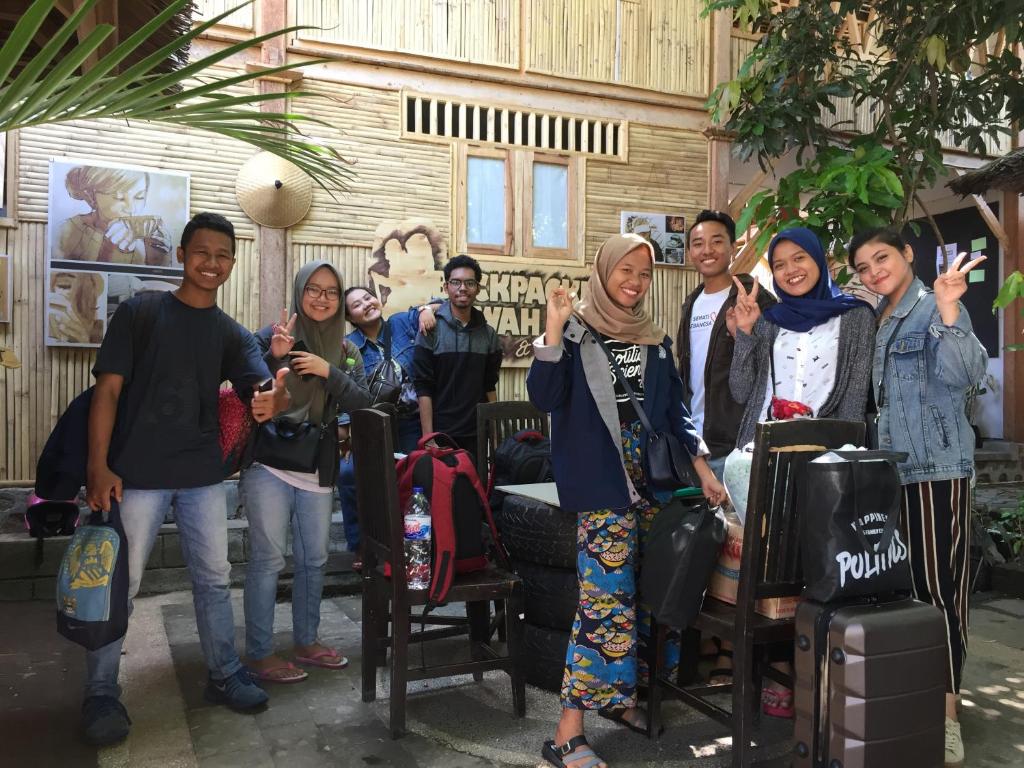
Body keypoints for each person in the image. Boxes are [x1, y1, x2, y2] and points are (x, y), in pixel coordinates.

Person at [82, 212, 290, 745]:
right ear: (181, 254)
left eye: (222, 255)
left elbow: (261, 388)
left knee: (215, 579)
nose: (211, 263)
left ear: (232, 263)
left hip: (201, 475)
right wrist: (98, 465)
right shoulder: (141, 312)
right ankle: (101, 693)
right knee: (119, 586)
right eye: (202, 252)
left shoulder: (229, 333)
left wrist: (275, 398)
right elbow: (107, 391)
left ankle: (223, 674)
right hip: (135, 474)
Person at [528, 233, 726, 768]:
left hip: (654, 480)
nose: (635, 282)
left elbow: (676, 413)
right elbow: (544, 397)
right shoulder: (575, 331)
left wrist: (703, 469)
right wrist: (553, 326)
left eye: (644, 273)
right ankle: (566, 734)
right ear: (604, 271)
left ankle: (622, 701)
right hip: (601, 482)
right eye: (626, 270)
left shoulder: (655, 339)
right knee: (605, 601)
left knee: (649, 594)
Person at [849, 227, 987, 768]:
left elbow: (966, 375)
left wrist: (950, 311)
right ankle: (917, 700)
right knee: (905, 593)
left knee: (940, 593)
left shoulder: (933, 307)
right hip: (892, 474)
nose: (873, 272)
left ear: (908, 254)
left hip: (936, 472)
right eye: (863, 267)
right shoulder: (880, 319)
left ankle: (947, 716)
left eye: (881, 258)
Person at [729, 226, 875, 718]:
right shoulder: (770, 320)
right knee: (776, 564)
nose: (790, 270)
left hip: (823, 460)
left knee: (817, 565)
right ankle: (781, 666)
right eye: (780, 263)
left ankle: (814, 673)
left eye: (799, 259)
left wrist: (833, 456)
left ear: (819, 261)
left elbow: (853, 400)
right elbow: (741, 390)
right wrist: (746, 333)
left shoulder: (855, 318)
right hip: (763, 458)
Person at [240, 261, 371, 684]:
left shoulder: (347, 349)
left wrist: (328, 371)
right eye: (313, 289)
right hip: (269, 462)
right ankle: (259, 652)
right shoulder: (272, 335)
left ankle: (306, 641)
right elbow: (247, 391)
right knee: (267, 560)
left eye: (331, 291)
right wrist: (273, 357)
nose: (322, 298)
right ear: (299, 291)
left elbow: (362, 403)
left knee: (314, 559)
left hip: (317, 463)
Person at [676, 210, 776, 481]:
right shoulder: (691, 303)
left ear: (733, 247)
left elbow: (767, 373)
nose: (707, 250)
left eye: (717, 241)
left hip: (734, 445)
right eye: (698, 244)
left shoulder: (755, 301)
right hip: (695, 443)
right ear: (690, 252)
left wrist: (742, 334)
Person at [336, 288, 436, 555]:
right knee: (348, 474)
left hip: (411, 421)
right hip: (372, 427)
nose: (366, 304)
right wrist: (346, 436)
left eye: (368, 298)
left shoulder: (401, 323)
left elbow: (440, 305)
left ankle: (416, 542)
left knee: (419, 474)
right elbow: (343, 389)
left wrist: (426, 309)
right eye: (357, 305)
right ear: (350, 317)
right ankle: (361, 546)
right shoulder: (348, 346)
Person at [413, 255, 502, 458]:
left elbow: (490, 385)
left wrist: (495, 433)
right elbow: (423, 387)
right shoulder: (430, 330)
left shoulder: (488, 335)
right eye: (456, 282)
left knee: (477, 479)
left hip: (477, 432)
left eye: (470, 283)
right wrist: (428, 437)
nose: (463, 288)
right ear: (446, 287)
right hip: (441, 433)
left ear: (477, 288)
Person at [56, 165, 173, 265]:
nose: (131, 208)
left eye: (139, 197)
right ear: (92, 196)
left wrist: (159, 258)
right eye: (119, 198)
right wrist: (108, 251)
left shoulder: (144, 239)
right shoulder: (67, 231)